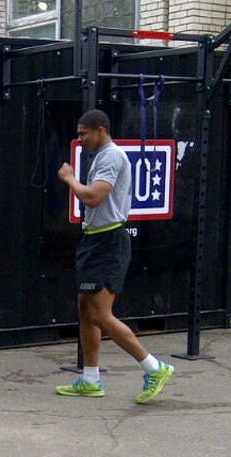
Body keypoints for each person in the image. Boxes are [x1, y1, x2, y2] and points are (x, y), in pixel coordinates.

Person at [55, 109, 174, 403]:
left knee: (100, 315)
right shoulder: (101, 156)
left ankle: (154, 366)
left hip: (108, 243)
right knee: (85, 309)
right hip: (94, 240)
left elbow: (94, 196)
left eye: (84, 133)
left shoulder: (110, 156)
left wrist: (69, 179)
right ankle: (91, 379)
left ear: (100, 130)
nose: (79, 139)